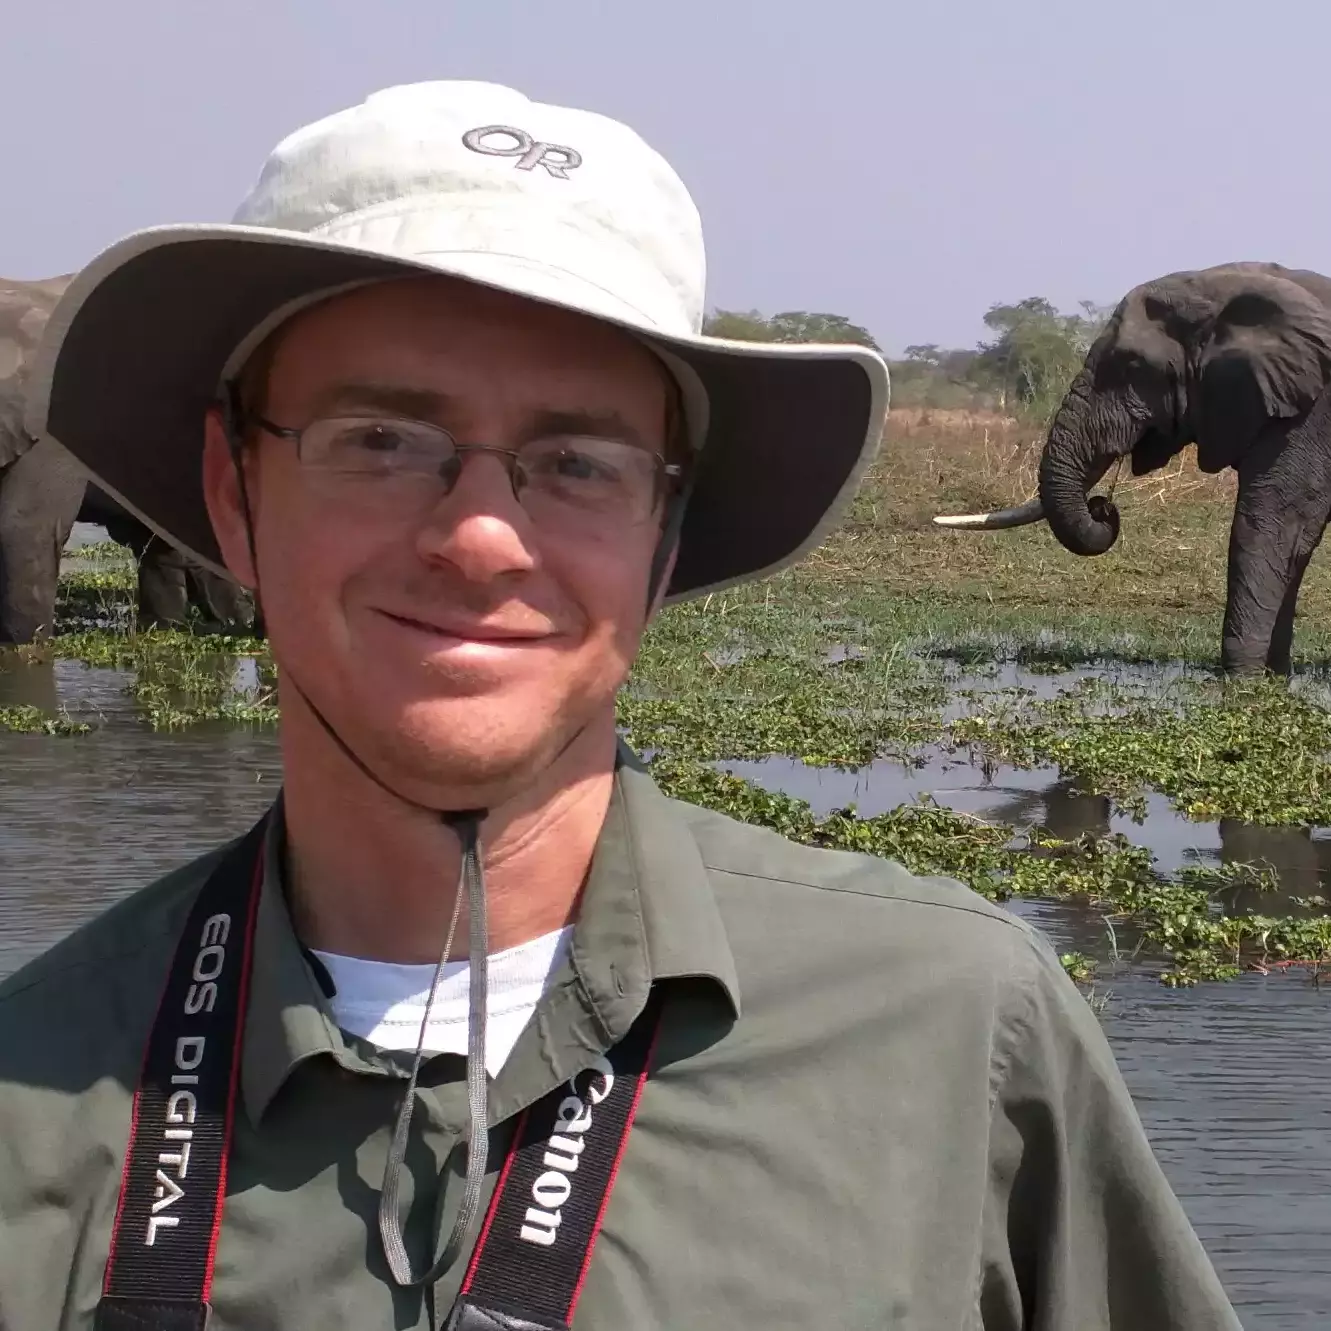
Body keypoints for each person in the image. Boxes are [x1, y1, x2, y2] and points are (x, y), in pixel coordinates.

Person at [0, 81, 1242, 1331]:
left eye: (578, 463)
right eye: (378, 439)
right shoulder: (28, 1094)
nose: (480, 537)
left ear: (661, 540)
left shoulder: (960, 1028)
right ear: (235, 495)